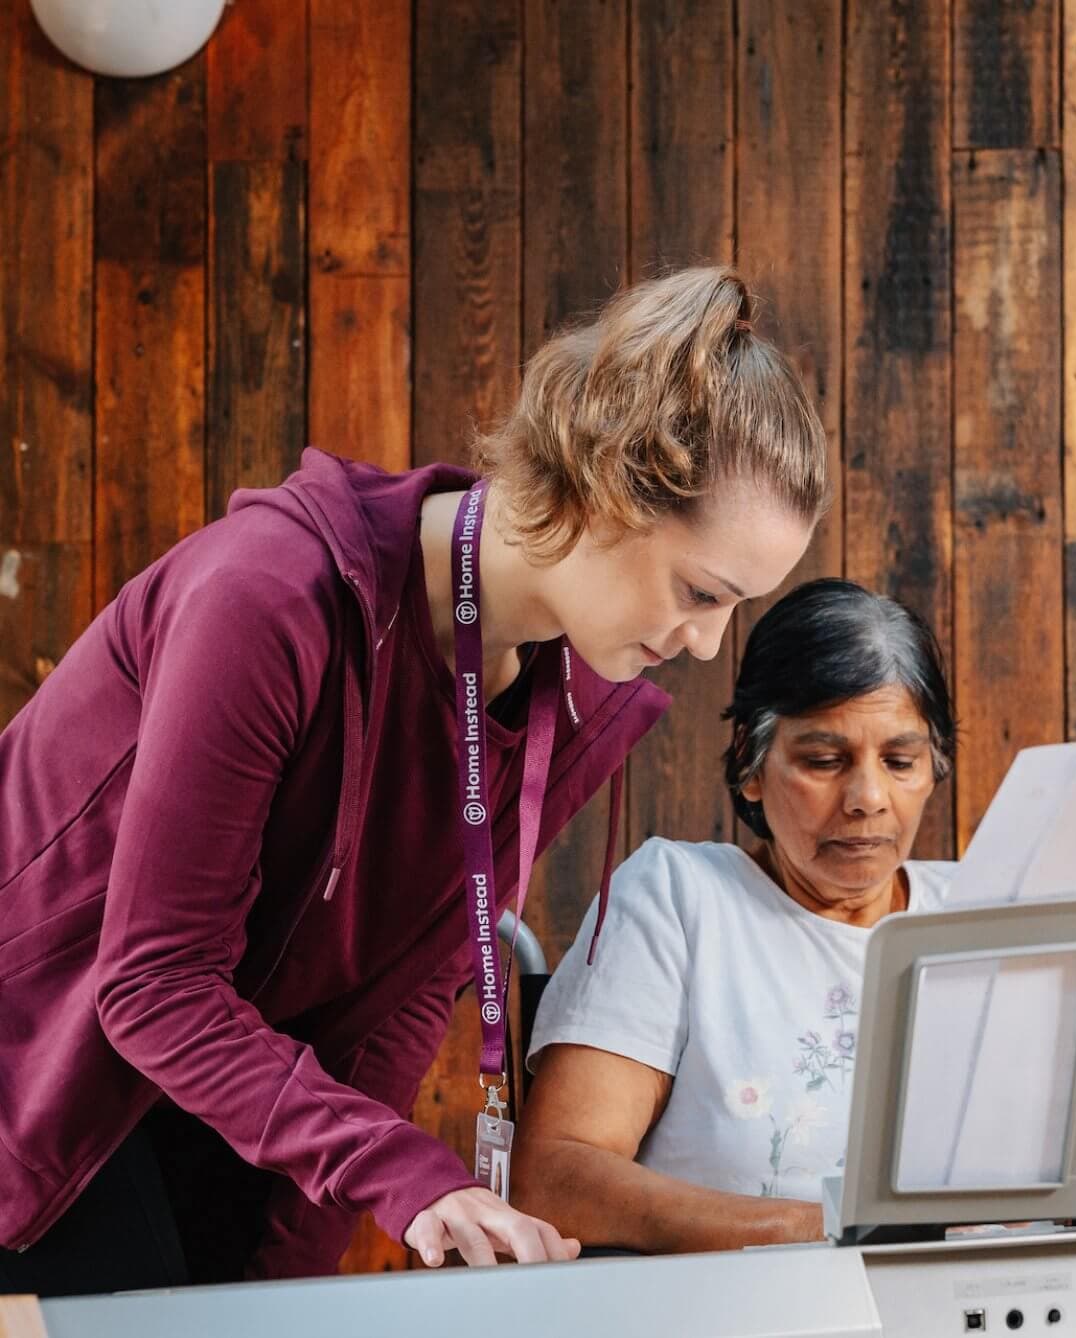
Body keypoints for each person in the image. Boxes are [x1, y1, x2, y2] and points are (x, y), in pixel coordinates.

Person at [0, 267, 825, 1296]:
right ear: (605, 488)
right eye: (702, 592)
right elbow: (154, 984)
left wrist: (286, 1287)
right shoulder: (268, 597)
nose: (705, 644)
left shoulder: (574, 695)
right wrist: (404, 1176)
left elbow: (400, 1002)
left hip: (225, 1100)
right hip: (45, 1073)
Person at [512, 578, 957, 1255]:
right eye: (823, 760)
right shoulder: (681, 900)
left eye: (900, 761)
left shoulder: (982, 914)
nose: (869, 798)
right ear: (752, 763)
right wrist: (826, 1233)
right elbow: (555, 1178)